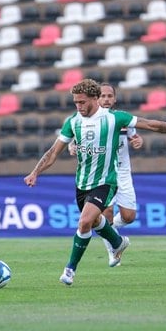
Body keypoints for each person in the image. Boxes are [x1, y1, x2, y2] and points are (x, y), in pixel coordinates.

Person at [24, 79, 166, 286]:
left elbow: (153, 125)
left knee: (84, 222)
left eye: (82, 102)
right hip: (82, 183)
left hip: (106, 181)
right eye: (75, 103)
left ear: (94, 98)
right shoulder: (73, 122)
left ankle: (69, 270)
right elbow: (53, 152)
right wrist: (35, 172)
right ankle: (118, 243)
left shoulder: (115, 118)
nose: (79, 106)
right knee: (95, 220)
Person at [69, 83, 144, 267]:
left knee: (129, 216)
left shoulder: (119, 119)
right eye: (103, 96)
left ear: (115, 99)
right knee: (107, 211)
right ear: (96, 99)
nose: (106, 99)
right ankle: (113, 251)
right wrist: (72, 147)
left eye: (110, 96)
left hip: (123, 171)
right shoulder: (85, 120)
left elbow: (135, 136)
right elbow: (73, 141)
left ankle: (112, 233)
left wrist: (138, 141)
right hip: (102, 173)